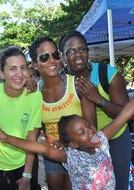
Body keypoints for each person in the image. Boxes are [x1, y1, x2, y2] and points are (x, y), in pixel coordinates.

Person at [0, 65, 134, 190]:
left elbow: (126, 113)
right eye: (82, 132)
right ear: (73, 144)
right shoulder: (70, 156)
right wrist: (6, 138)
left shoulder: (102, 140)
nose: (91, 131)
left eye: (88, 126)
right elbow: (38, 146)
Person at [59, 31, 131, 189]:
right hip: (84, 143)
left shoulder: (107, 74)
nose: (78, 54)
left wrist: (99, 99)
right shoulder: (61, 81)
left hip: (115, 138)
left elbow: (126, 114)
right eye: (71, 51)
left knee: (118, 184)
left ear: (88, 52)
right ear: (63, 57)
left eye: (82, 49)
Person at [29, 37, 96, 190]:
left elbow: (92, 129)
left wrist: (68, 146)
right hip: (52, 155)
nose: (52, 61)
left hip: (79, 153)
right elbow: (35, 130)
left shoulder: (78, 85)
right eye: (44, 57)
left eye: (55, 55)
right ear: (34, 64)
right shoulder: (34, 94)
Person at [0, 46, 42, 190]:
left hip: (26, 162)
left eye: (23, 68)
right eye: (12, 69)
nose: (19, 74)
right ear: (1, 74)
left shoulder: (34, 96)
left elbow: (32, 139)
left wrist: (27, 176)